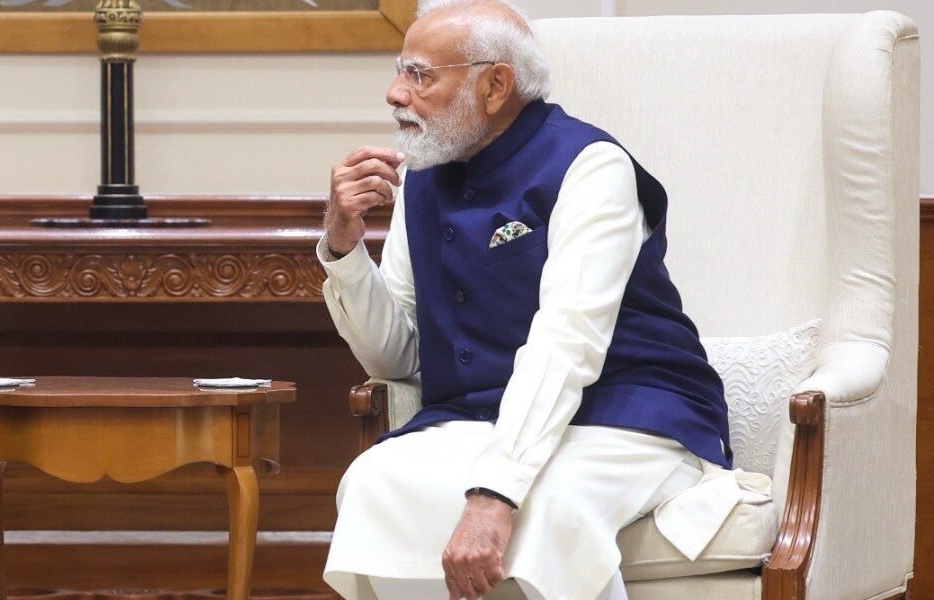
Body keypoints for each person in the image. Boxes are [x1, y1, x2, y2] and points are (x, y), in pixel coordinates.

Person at [316, 1, 762, 598]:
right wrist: (344, 247)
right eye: (401, 72)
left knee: (547, 505)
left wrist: (494, 491)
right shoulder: (422, 175)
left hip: (631, 413)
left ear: (496, 84)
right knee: (374, 480)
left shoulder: (591, 167)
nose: (396, 93)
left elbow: (566, 340)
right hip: (483, 418)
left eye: (420, 74)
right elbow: (397, 358)